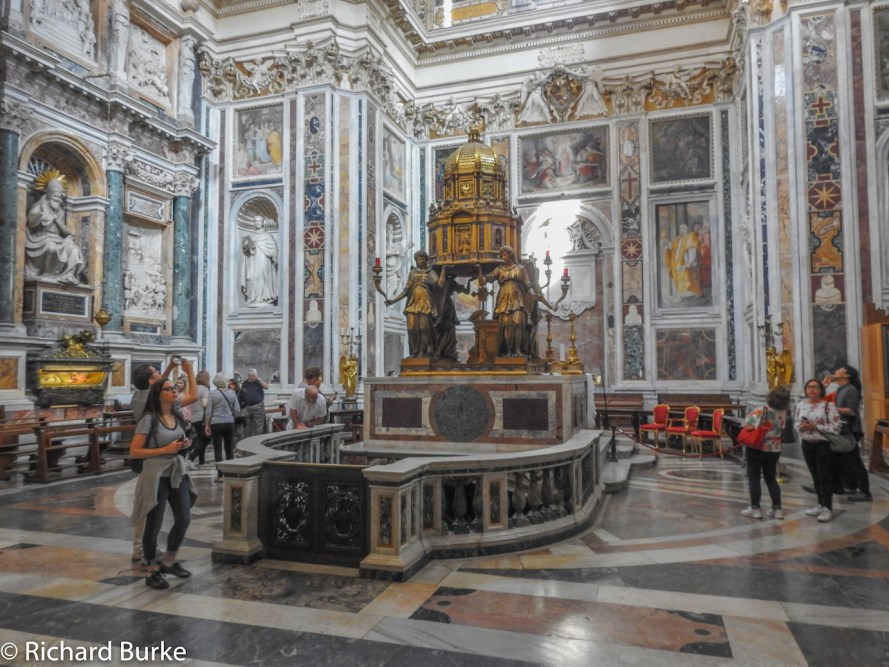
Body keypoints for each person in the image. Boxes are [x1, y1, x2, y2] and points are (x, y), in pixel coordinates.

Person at [129, 378, 196, 589]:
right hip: (156, 475)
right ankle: (151, 570)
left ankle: (168, 561)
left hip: (177, 473)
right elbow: (135, 451)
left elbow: (175, 440)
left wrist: (184, 444)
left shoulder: (175, 414)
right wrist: (164, 450)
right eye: (169, 389)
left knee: (184, 518)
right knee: (154, 525)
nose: (174, 391)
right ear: (158, 394)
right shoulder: (148, 419)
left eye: (174, 388)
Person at [385, 250, 448, 358]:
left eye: (423, 258)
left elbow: (440, 284)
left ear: (426, 260)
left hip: (425, 303)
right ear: (416, 260)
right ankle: (415, 351)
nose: (421, 261)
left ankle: (422, 353)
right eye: (419, 259)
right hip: (412, 304)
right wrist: (393, 300)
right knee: (411, 328)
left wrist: (443, 270)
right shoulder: (413, 273)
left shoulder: (430, 272)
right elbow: (406, 290)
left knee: (424, 328)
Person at [795, 378, 842, 522]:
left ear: (821, 389)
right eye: (809, 387)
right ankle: (820, 504)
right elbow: (796, 423)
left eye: (815, 387)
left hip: (823, 445)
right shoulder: (801, 405)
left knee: (824, 476)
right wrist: (802, 427)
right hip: (807, 443)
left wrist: (816, 426)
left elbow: (837, 427)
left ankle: (827, 508)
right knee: (815, 476)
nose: (812, 389)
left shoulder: (828, 406)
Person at [739, 387, 789, 520]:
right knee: (771, 478)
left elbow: (748, 425)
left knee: (754, 478)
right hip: (774, 449)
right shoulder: (783, 412)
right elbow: (782, 428)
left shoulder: (762, 409)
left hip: (757, 447)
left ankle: (755, 509)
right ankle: (777, 509)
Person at [25, 178, 86, 284]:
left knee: (74, 250)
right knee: (51, 247)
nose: (57, 199)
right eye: (55, 196)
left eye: (59, 197)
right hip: (40, 237)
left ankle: (68, 275)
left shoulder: (60, 212)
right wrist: (40, 214)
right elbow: (31, 223)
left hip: (57, 238)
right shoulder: (40, 206)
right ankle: (48, 274)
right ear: (49, 196)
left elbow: (65, 230)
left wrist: (66, 233)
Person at [477, 246, 533, 358]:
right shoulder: (499, 269)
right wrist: (479, 270)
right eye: (501, 255)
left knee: (518, 322)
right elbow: (484, 281)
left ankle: (518, 350)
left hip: (518, 300)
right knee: (506, 325)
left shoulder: (521, 269)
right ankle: (507, 351)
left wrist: (534, 294)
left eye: (504, 255)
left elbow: (528, 285)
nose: (503, 257)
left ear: (511, 255)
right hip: (504, 300)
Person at [829, 365, 872, 502]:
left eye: (839, 369)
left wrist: (833, 409)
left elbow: (852, 411)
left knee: (854, 461)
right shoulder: (842, 389)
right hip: (844, 429)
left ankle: (865, 491)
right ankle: (850, 485)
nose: (836, 371)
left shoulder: (851, 390)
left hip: (851, 430)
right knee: (845, 460)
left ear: (846, 375)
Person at [204, 373, 240, 483]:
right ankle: (231, 474)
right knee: (229, 449)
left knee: (218, 449)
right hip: (229, 423)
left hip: (216, 423)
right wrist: (229, 414)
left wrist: (206, 425)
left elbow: (208, 412)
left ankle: (220, 476)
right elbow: (237, 409)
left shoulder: (212, 394)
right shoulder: (232, 393)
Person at [240, 215, 279, 306]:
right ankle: (253, 297)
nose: (257, 223)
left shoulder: (267, 235)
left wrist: (274, 256)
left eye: (259, 221)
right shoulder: (251, 236)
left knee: (262, 277)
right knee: (251, 277)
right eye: (256, 221)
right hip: (252, 261)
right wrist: (245, 246)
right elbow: (246, 251)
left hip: (263, 261)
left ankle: (264, 298)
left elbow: (272, 248)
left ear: (262, 223)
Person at [665, 223, 703, 300]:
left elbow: (692, 249)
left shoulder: (690, 237)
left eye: (683, 228)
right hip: (675, 261)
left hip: (684, 262)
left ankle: (681, 296)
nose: (681, 230)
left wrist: (690, 262)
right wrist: (668, 246)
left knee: (685, 278)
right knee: (679, 278)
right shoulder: (678, 239)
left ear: (686, 229)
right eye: (680, 228)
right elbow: (673, 247)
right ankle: (688, 294)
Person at [186, 370, 211, 467]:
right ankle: (191, 458)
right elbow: (205, 404)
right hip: (202, 418)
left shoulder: (192, 389)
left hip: (193, 417)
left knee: (201, 439)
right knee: (206, 439)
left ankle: (202, 461)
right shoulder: (204, 389)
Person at [238, 369, 269, 438]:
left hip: (258, 407)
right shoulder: (245, 383)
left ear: (256, 376)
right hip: (248, 407)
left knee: (258, 427)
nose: (251, 377)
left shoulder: (258, 382)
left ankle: (257, 442)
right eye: (249, 376)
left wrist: (259, 379)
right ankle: (248, 442)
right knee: (247, 427)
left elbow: (267, 387)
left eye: (252, 376)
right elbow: (242, 394)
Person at [228, 378, 246, 443]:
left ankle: (241, 446)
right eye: (229, 384)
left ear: (235, 384)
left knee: (240, 432)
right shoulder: (227, 393)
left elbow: (246, 402)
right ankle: (232, 447)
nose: (230, 386)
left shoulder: (241, 392)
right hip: (230, 414)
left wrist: (238, 405)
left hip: (239, 415)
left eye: (231, 384)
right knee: (231, 433)